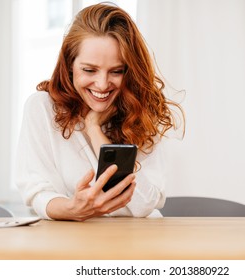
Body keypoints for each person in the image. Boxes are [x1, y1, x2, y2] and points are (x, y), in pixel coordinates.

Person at [15, 3, 184, 221]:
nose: (102, 85)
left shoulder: (142, 110)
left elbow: (144, 204)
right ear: (69, 65)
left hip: (139, 238)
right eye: (89, 70)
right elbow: (37, 190)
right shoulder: (42, 108)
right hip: (73, 238)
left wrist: (95, 130)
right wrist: (72, 209)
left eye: (116, 71)